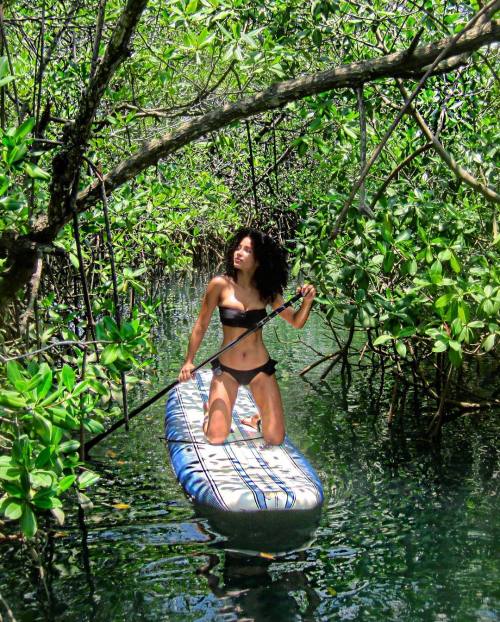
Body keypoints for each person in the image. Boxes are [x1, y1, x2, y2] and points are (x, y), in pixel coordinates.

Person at [178, 228, 316, 445]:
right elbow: (201, 325)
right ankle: (209, 413)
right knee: (216, 437)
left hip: (260, 370)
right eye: (238, 248)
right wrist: (189, 361)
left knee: (275, 439)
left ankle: (256, 421)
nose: (238, 253)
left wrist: (307, 302)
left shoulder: (267, 291)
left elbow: (297, 322)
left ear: (258, 260)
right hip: (227, 370)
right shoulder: (219, 285)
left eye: (247, 250)